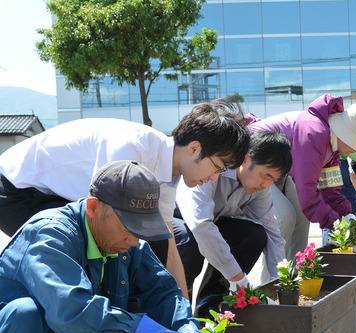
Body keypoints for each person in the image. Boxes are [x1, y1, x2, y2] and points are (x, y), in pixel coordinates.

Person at [0, 161, 235, 333]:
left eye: (140, 229)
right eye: (127, 227)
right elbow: (72, 311)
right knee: (24, 314)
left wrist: (187, 329)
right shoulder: (49, 236)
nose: (134, 241)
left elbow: (163, 292)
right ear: (93, 207)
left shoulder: (124, 242)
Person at [0, 99, 250, 299]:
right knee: (86, 245)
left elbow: (166, 238)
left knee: (172, 236)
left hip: (61, 195)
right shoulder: (131, 150)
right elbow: (99, 219)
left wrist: (183, 310)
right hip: (18, 191)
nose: (215, 178)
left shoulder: (169, 170)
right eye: (217, 167)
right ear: (194, 149)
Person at [173, 131, 292, 310]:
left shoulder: (260, 190)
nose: (266, 184)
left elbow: (273, 234)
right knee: (189, 238)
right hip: (172, 220)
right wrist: (237, 278)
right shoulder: (214, 168)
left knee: (254, 235)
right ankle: (179, 306)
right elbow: (200, 225)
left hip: (204, 223)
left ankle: (210, 308)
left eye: (273, 180)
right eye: (265, 176)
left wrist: (284, 285)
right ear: (246, 160)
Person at [248, 94, 356, 256]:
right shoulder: (314, 134)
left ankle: (297, 275)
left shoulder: (333, 149)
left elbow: (329, 189)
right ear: (347, 134)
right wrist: (337, 225)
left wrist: (347, 214)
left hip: (277, 170)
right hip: (253, 164)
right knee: (284, 218)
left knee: (301, 217)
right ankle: (274, 279)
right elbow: (307, 193)